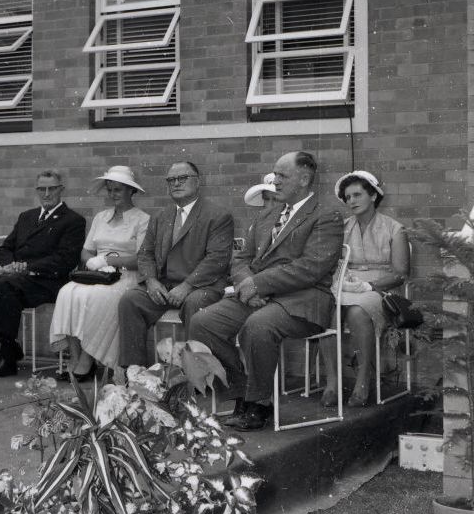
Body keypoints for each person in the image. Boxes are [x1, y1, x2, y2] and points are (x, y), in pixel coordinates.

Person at [190, 151, 344, 431]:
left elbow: (312, 267)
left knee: (258, 326)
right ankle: (241, 394)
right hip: (256, 296)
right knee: (203, 323)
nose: (275, 180)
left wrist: (258, 284)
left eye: (282, 175)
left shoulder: (326, 215)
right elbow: (241, 258)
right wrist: (248, 283)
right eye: (275, 174)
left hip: (302, 300)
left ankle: (260, 403)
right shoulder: (268, 213)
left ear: (304, 178)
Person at [0, 170, 86, 379]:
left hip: (48, 281)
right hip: (16, 279)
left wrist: (26, 266)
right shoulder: (26, 217)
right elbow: (5, 247)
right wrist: (10, 265)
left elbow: (65, 260)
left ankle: (7, 358)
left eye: (51, 188)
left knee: (6, 287)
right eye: (41, 189)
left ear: (61, 190)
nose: (46, 194)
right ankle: (10, 345)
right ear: (36, 191)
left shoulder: (73, 220)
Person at [117, 162, 234, 367]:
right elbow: (145, 253)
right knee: (130, 300)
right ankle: (133, 371)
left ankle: (197, 374)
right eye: (171, 180)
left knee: (195, 303)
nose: (176, 183)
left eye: (183, 178)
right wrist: (151, 281)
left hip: (201, 287)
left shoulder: (217, 215)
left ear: (198, 182)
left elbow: (217, 259)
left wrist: (187, 286)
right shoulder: (161, 216)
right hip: (164, 287)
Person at [49, 166, 150, 379]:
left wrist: (108, 260)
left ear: (131, 191)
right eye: (110, 190)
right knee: (67, 292)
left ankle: (88, 359)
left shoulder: (143, 220)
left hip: (125, 277)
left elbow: (141, 259)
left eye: (118, 190)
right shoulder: (100, 217)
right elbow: (86, 251)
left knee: (93, 297)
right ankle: (75, 357)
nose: (113, 194)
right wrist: (94, 262)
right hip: (98, 275)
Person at [320, 170, 410, 407]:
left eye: (357, 194)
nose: (352, 201)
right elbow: (331, 263)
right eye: (347, 197)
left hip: (381, 289)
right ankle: (332, 381)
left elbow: (401, 273)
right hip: (346, 284)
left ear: (373, 195)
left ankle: (363, 380)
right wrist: (342, 281)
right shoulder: (342, 228)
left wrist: (369, 285)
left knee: (357, 312)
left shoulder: (394, 229)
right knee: (325, 306)